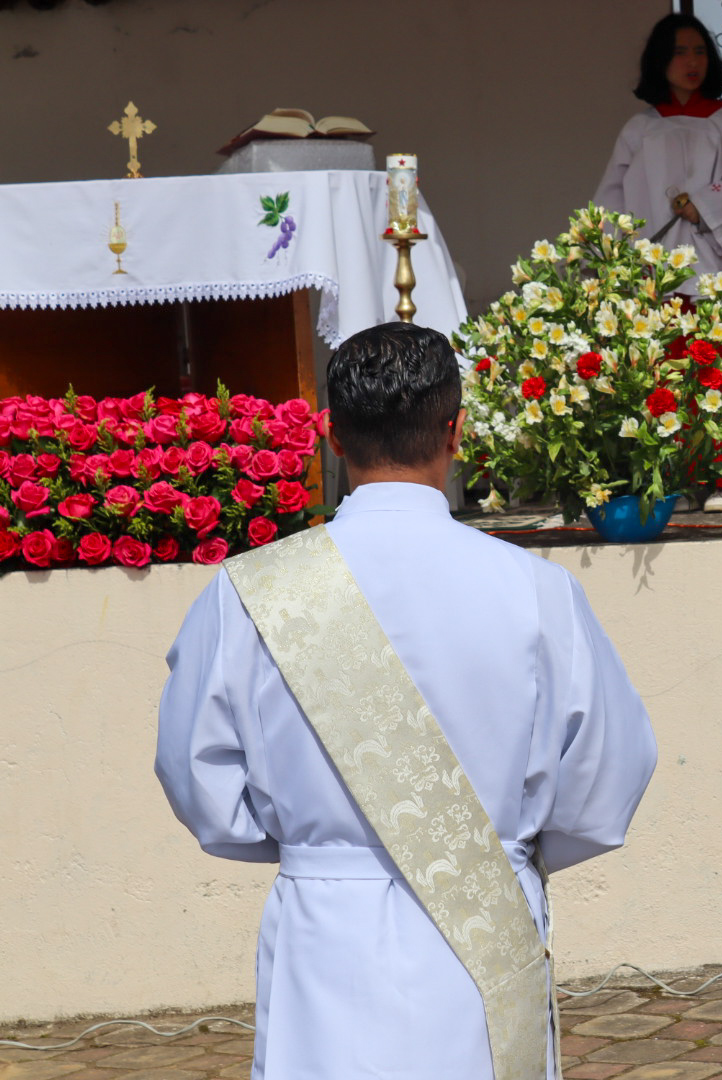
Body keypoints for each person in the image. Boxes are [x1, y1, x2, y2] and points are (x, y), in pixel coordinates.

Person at [155, 323, 657, 1080]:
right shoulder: (536, 590)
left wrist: (317, 850)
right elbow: (606, 777)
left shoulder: (249, 595)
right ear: (457, 430)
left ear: (332, 435)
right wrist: (501, 853)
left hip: (323, 938)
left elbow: (202, 785)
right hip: (484, 926)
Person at [595, 13, 722, 512]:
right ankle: (680, 480)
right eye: (678, 53)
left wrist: (707, 205)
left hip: (720, 264)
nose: (691, 62)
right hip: (659, 272)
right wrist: (609, 257)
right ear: (659, 62)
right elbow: (612, 197)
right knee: (666, 377)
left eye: (699, 52)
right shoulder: (640, 129)